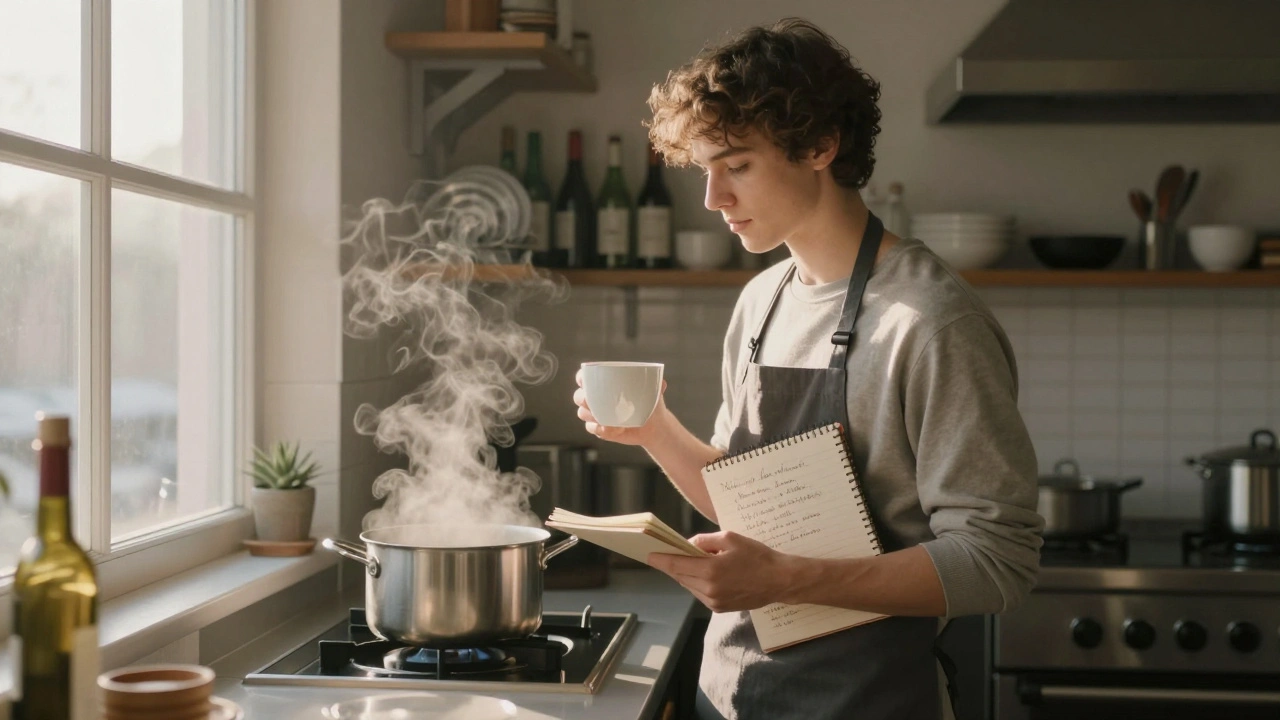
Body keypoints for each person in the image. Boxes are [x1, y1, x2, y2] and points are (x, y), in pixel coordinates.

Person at [572, 17, 1043, 720]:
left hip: (870, 700)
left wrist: (786, 578)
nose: (713, 200)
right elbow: (750, 504)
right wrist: (654, 429)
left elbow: (996, 561)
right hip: (731, 694)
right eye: (705, 171)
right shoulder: (763, 300)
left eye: (737, 166)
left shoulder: (932, 321)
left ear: (821, 145)